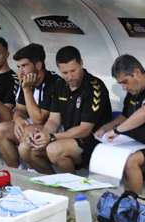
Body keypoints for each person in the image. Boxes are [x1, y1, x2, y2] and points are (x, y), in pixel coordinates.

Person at [19, 46, 112, 174]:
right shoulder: (59, 85)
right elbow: (54, 121)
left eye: (73, 70)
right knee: (25, 148)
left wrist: (51, 137)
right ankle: (55, 183)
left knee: (54, 149)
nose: (70, 77)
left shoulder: (95, 87)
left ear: (81, 64)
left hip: (93, 141)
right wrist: (43, 135)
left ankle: (74, 190)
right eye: (65, 73)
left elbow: (85, 130)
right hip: (69, 138)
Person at [94, 55, 145, 194]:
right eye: (120, 83)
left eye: (125, 82)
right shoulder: (133, 92)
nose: (123, 87)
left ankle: (136, 209)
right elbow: (125, 116)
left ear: (137, 73)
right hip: (137, 145)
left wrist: (117, 130)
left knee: (129, 162)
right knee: (102, 155)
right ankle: (109, 202)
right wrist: (105, 128)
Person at [0, 43, 61, 168]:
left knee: (25, 135)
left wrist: (26, 89)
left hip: (52, 129)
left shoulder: (53, 82)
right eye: (19, 67)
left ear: (38, 65)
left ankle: (34, 171)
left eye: (25, 66)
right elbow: (20, 109)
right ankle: (17, 173)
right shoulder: (26, 80)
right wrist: (18, 120)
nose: (21, 72)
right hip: (34, 127)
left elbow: (39, 118)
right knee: (0, 130)